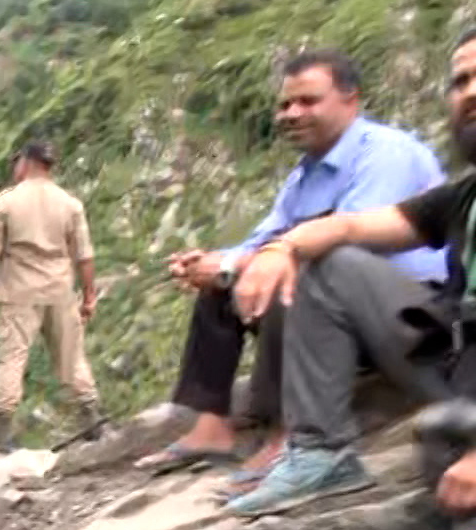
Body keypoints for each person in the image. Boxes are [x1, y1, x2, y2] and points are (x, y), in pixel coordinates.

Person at [223, 29, 476, 530]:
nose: (467, 92)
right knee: (327, 260)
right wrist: (289, 243)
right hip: (453, 368)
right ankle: (322, 450)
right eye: (460, 78)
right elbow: (369, 228)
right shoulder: (464, 196)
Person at [137, 49, 447, 486]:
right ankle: (212, 428)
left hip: (408, 313)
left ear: (350, 100)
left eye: (308, 101)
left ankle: (288, 436)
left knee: (297, 274)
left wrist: (238, 263)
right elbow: (263, 241)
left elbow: (346, 238)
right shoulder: (305, 174)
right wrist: (211, 264)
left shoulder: (386, 153)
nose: (291, 113)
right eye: (285, 104)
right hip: (340, 313)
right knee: (226, 284)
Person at [0, 140, 101, 448]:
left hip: (19, 293)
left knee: (12, 358)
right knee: (71, 356)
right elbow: (85, 256)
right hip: (60, 291)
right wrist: (89, 295)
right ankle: (92, 415)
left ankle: (1, 429)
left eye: (17, 162)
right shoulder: (70, 204)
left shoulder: (5, 203)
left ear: (26, 163)